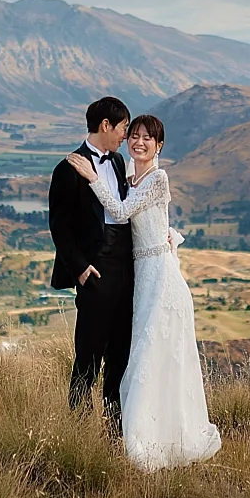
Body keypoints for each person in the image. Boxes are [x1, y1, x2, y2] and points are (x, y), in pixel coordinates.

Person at [64, 114, 221, 470]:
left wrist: (90, 177)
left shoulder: (158, 178)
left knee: (153, 356)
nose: (138, 142)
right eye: (133, 135)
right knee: (142, 357)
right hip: (140, 276)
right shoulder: (129, 176)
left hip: (160, 278)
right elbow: (147, 221)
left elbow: (120, 210)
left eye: (147, 138)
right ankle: (139, 431)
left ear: (159, 146)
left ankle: (155, 441)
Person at [48, 96, 134, 429]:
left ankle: (116, 428)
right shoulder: (67, 169)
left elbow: (122, 212)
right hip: (95, 270)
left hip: (124, 269)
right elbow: (59, 226)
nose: (125, 136)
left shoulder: (117, 164)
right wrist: (81, 268)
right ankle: (78, 428)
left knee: (120, 354)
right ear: (105, 126)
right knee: (88, 355)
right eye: (123, 128)